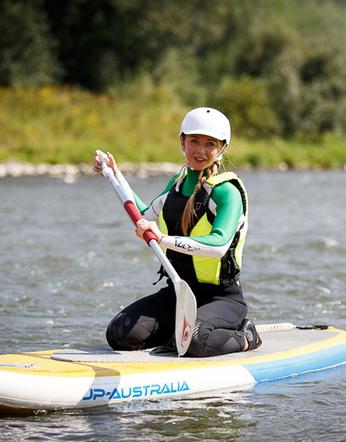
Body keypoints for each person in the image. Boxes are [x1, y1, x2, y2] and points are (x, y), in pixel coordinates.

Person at [93, 107, 261, 357]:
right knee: (120, 333)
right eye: (194, 141)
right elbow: (145, 215)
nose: (200, 150)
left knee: (194, 340)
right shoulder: (177, 184)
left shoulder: (227, 192)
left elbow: (218, 245)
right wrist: (115, 176)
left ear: (222, 148)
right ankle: (175, 335)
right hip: (178, 293)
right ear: (182, 141)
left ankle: (247, 336)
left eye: (210, 144)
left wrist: (163, 239)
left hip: (221, 299)